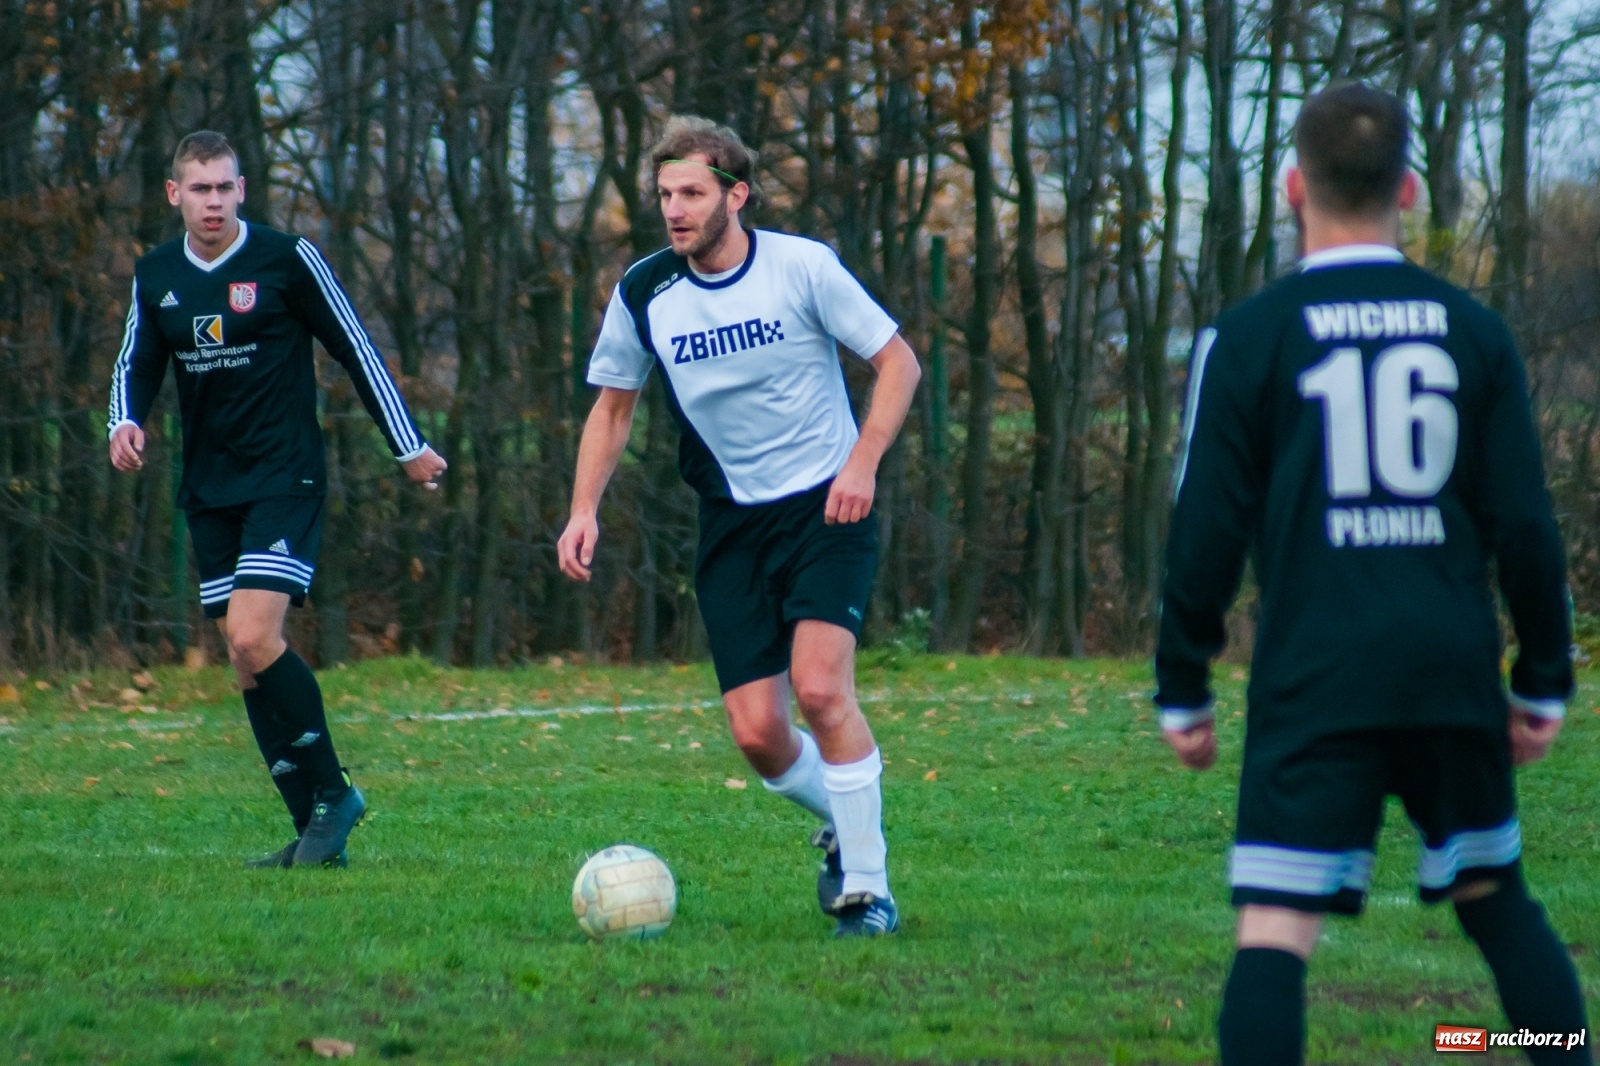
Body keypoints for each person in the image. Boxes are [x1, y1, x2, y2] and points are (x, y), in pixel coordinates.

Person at [1155, 83, 1590, 1065]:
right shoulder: (1473, 333)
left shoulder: (1248, 336)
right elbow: (1525, 524)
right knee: (1495, 901)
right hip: (1445, 664)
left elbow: (1205, 527)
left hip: (1316, 670)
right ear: (1407, 188)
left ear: (1290, 188)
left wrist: (1182, 680)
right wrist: (1543, 676)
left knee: (1274, 928)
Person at [556, 115, 922, 937]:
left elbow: (898, 362)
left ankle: (868, 888)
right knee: (759, 733)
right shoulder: (646, 291)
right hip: (732, 523)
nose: (675, 209)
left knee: (823, 690)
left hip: (828, 505)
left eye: (692, 193)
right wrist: (584, 510)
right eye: (664, 195)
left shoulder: (801, 267)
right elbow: (613, 410)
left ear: (736, 194)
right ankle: (846, 813)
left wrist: (862, 463)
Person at [108, 131, 448, 868]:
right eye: (200, 189)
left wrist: (408, 445)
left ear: (242, 189)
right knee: (242, 659)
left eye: (226, 187)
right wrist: (125, 420)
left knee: (254, 637)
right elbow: (136, 360)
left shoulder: (288, 259)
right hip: (210, 487)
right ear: (175, 194)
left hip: (283, 475)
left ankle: (336, 794)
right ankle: (314, 834)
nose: (215, 202)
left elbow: (355, 346)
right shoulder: (156, 274)